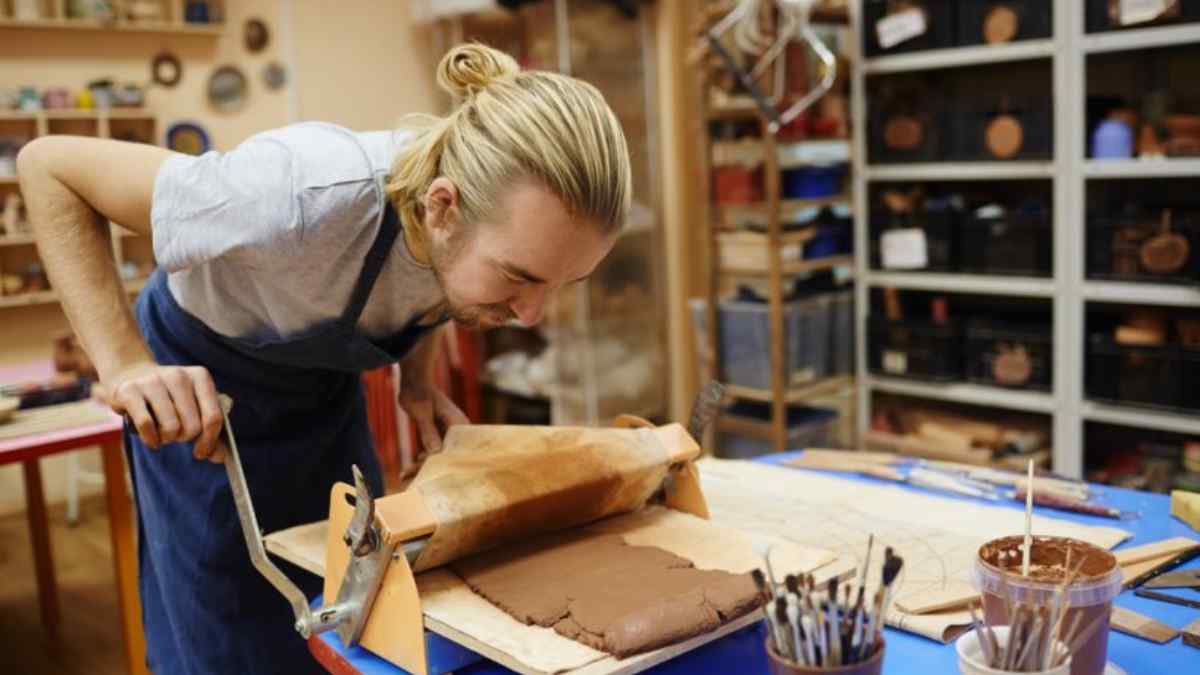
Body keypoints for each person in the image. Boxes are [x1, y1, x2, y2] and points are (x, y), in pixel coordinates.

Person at [17, 43, 631, 674]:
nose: (531, 315)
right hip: (203, 395)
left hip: (321, 390)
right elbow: (49, 167)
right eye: (517, 278)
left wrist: (416, 380)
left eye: (562, 284)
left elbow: (442, 287)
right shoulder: (292, 194)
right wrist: (124, 364)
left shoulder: (474, 235)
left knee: (356, 596)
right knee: (226, 624)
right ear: (441, 207)